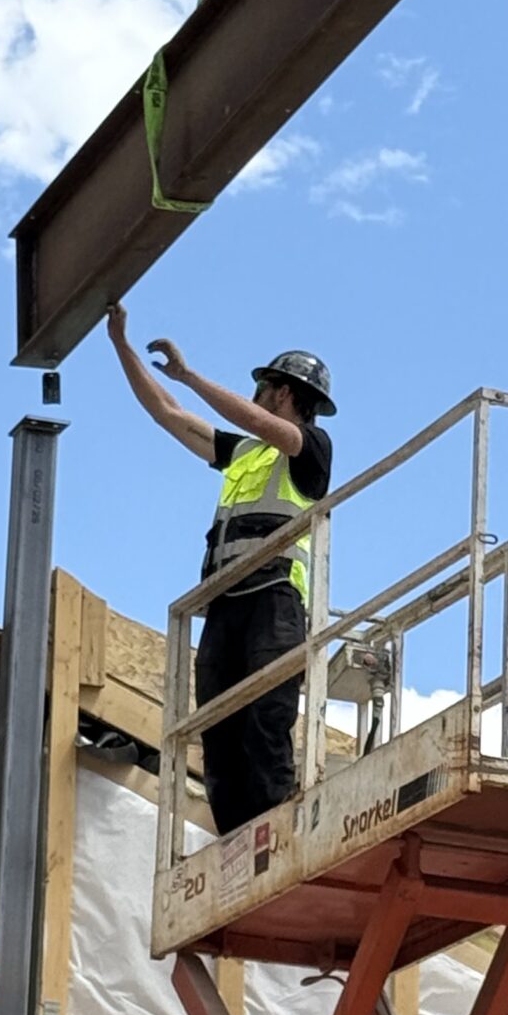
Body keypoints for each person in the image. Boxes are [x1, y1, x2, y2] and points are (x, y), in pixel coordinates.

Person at [107, 305, 336, 837]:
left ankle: (276, 832)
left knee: (265, 720)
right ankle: (235, 840)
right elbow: (168, 414)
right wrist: (121, 343)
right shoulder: (244, 454)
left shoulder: (311, 448)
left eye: (262, 387)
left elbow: (257, 423)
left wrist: (189, 375)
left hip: (275, 599)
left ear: (282, 393)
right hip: (226, 601)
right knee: (217, 729)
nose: (255, 396)